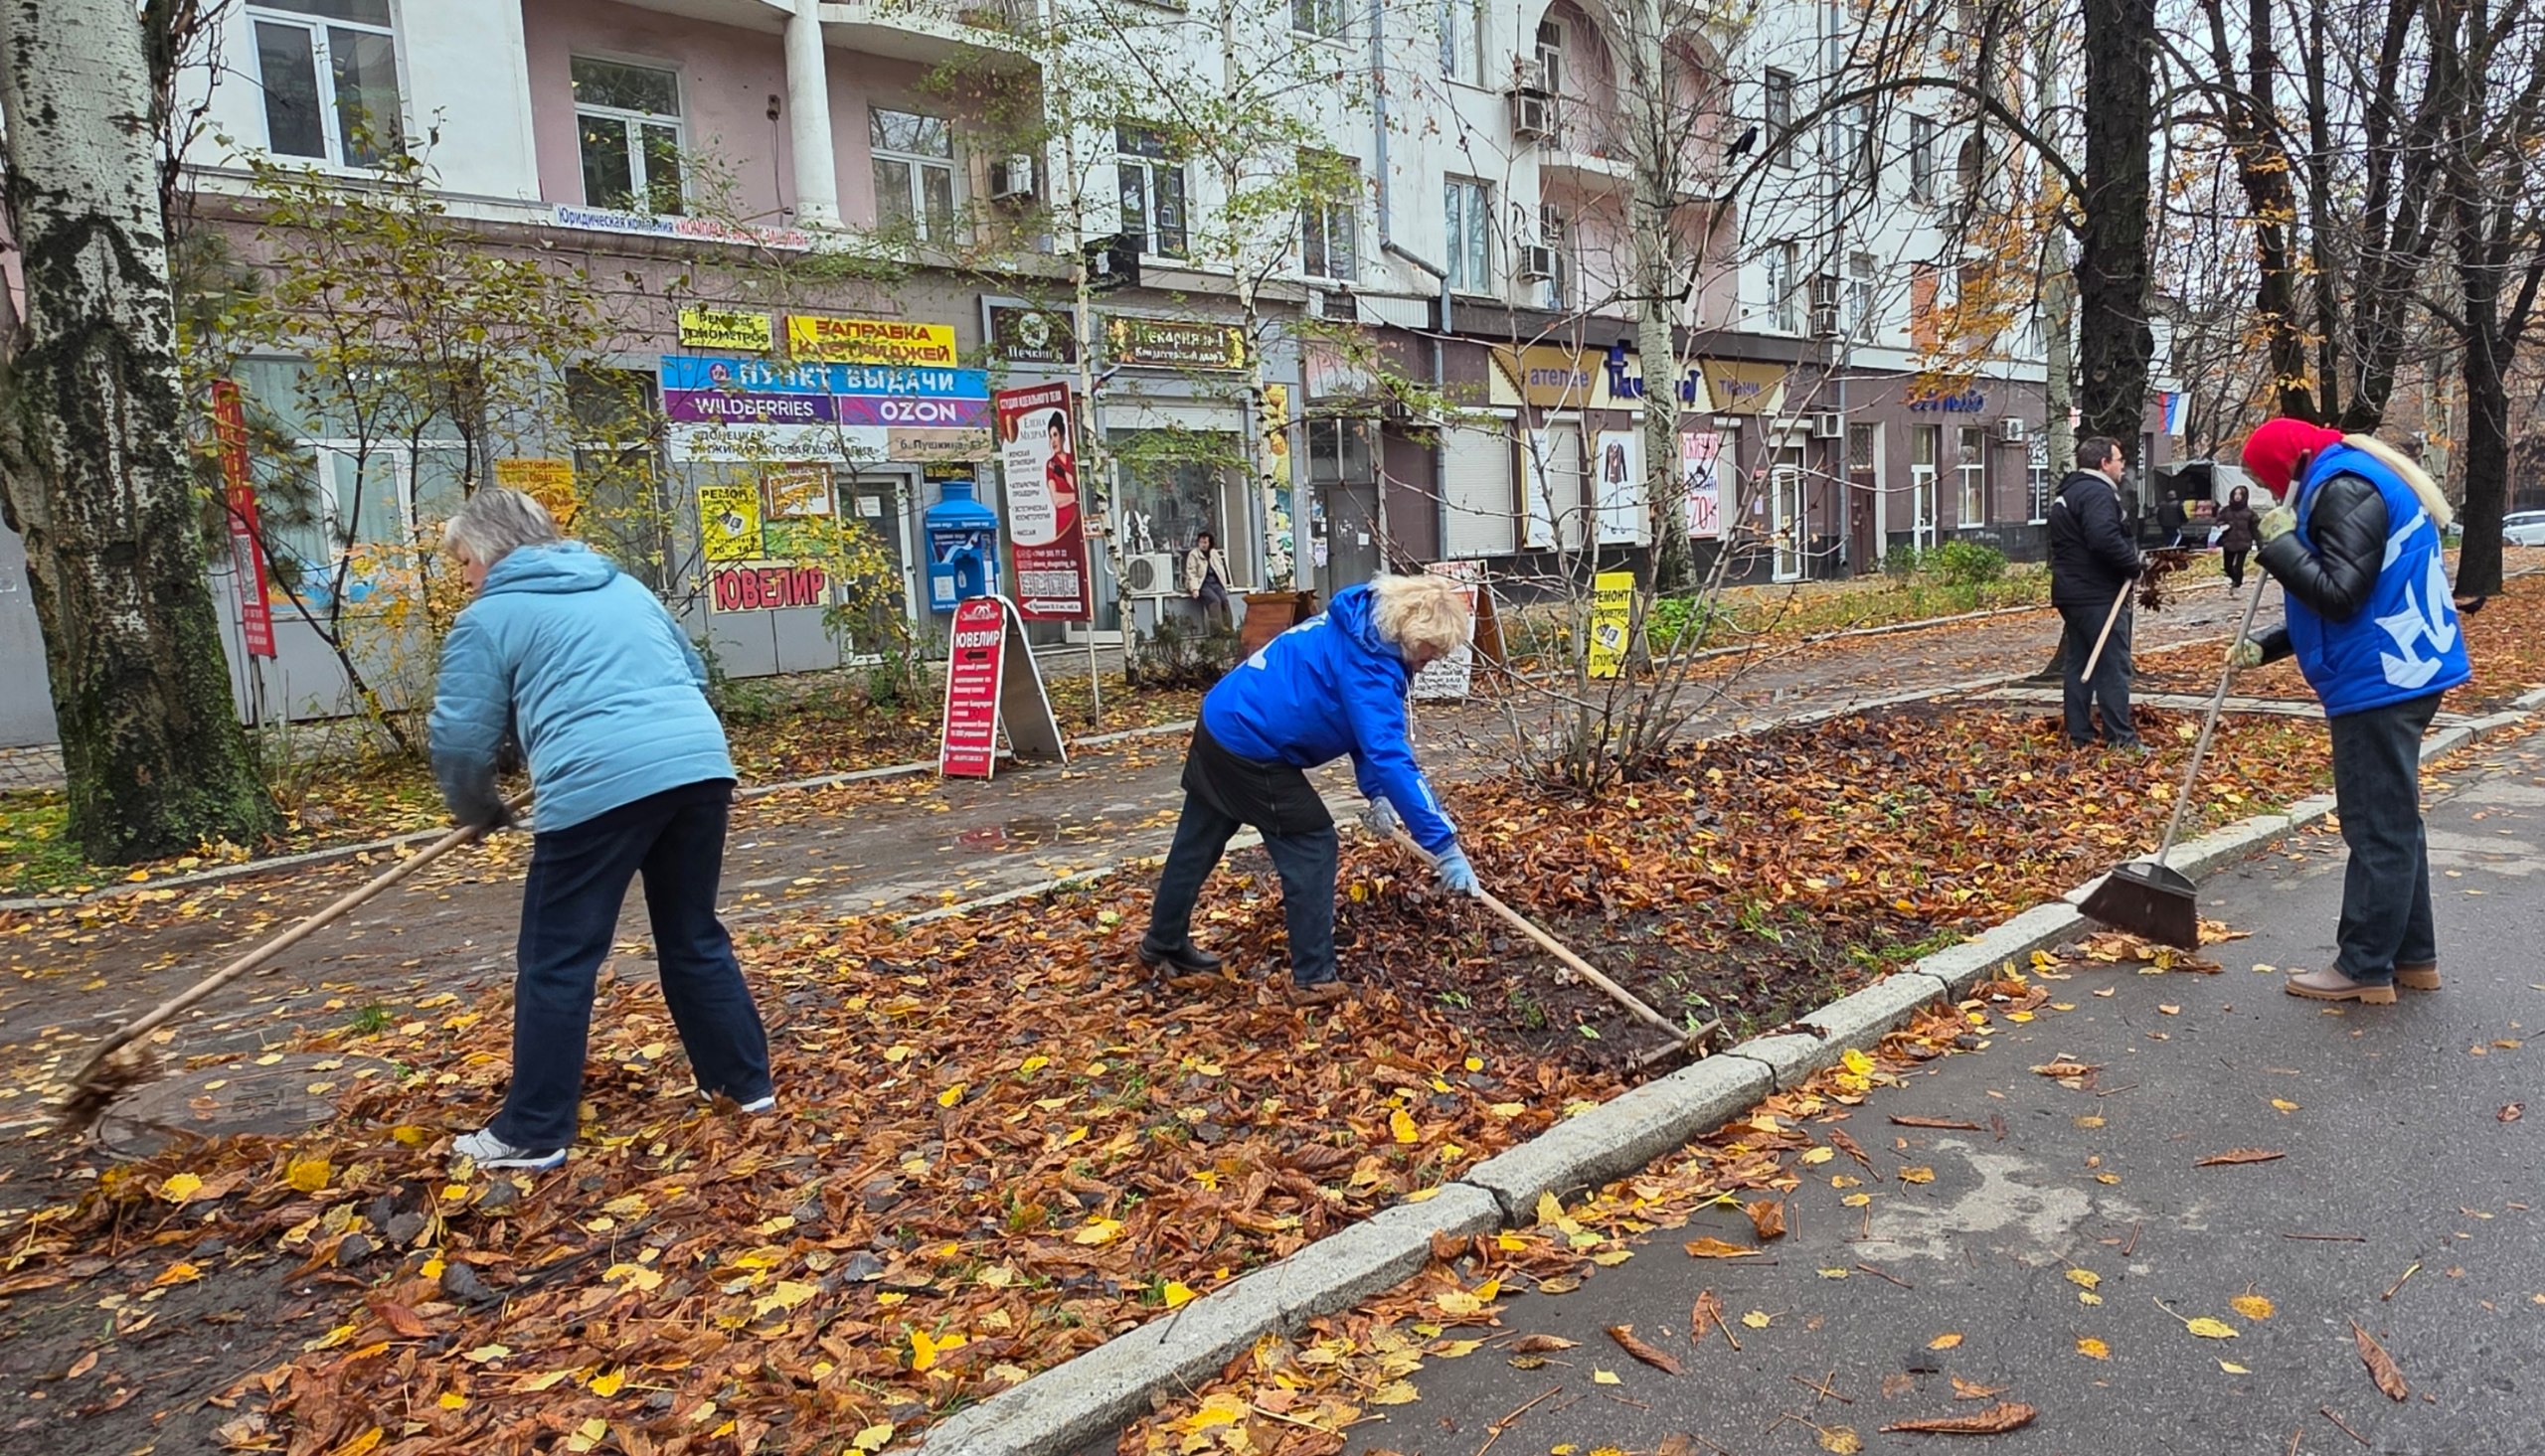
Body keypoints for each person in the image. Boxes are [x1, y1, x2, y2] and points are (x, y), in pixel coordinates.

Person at [429, 490, 772, 1170]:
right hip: (697, 767)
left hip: (599, 784)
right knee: (693, 934)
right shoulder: (623, 586)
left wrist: (476, 807)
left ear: (491, 550)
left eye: (465, 561)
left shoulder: (490, 614)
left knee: (557, 959)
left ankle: (531, 1131)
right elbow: (693, 672)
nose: (466, 576)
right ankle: (745, 1087)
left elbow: (460, 738)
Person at [1139, 574, 1479, 1004]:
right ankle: (1314, 977)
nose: (1432, 660)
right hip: (1250, 746)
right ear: (1412, 632)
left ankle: (1163, 942)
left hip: (1223, 718)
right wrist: (1444, 845)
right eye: (1433, 649)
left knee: (1199, 840)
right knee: (1312, 842)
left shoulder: (1360, 626)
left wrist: (1376, 793)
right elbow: (1389, 754)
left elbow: (1364, 732)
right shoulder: (1371, 666)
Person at [2231, 418, 2470, 1004]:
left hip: (2383, 678)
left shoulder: (2344, 489)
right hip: (2401, 667)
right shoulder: (2357, 478)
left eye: (2268, 483)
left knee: (2374, 826)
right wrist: (2270, 642)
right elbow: (2355, 589)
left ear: (2287, 467)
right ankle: (2413, 957)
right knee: (2393, 821)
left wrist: (2280, 545)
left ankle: (2363, 966)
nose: (2270, 497)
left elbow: (2340, 595)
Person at [2046, 435, 2146, 749]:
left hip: (2073, 592)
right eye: (2119, 460)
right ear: (2104, 463)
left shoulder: (2071, 492)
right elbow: (2103, 538)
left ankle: (2080, 734)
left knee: (2079, 663)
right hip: (2098, 594)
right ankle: (2120, 738)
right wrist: (2133, 566)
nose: (2122, 466)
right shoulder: (2097, 493)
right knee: (2112, 665)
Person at [2214, 483, 2261, 588]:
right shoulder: (2225, 510)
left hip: (2243, 543)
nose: (2237, 496)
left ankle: (2237, 584)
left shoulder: (2250, 513)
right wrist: (2223, 526)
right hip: (2229, 541)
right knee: (2227, 567)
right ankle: (2234, 579)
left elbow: (2255, 530)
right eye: (2235, 494)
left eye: (2240, 494)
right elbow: (2218, 521)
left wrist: (2259, 544)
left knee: (2238, 566)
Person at [1186, 530, 1234, 629]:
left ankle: (1228, 628)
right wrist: (1194, 589)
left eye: (1205, 542)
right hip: (1202, 584)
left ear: (1209, 543)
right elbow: (1191, 572)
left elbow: (1220, 569)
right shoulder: (1194, 554)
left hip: (1215, 583)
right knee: (1214, 601)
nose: (1203, 545)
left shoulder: (1214, 553)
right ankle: (1217, 630)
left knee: (1224, 600)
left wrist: (1224, 585)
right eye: (1201, 542)